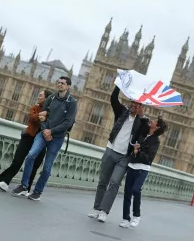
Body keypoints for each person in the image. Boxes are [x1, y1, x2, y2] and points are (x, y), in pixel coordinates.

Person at [88, 85, 148, 223]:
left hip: (124, 157)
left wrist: (142, 115)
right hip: (110, 150)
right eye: (133, 102)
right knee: (103, 182)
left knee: (114, 183)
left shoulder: (141, 122)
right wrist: (119, 84)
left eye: (137, 104)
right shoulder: (121, 111)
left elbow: (144, 132)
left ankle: (104, 211)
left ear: (141, 107)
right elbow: (113, 98)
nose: (134, 105)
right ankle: (96, 208)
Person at [12, 77, 77, 201]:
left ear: (68, 86)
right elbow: (42, 116)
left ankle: (38, 191)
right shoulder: (51, 98)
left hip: (56, 138)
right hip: (43, 133)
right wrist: (44, 130)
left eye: (63, 83)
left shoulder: (72, 102)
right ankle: (24, 186)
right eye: (58, 82)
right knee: (31, 155)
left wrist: (51, 131)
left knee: (47, 166)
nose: (60, 84)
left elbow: (68, 122)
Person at [0, 89, 52, 193]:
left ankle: (26, 188)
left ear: (46, 98)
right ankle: (4, 181)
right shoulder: (35, 107)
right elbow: (32, 118)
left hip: (42, 141)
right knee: (18, 160)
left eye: (40, 95)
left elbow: (51, 124)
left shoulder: (51, 112)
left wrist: (46, 115)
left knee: (34, 166)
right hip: (28, 137)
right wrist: (43, 115)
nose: (38, 97)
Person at [119, 116, 167, 228]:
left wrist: (138, 150)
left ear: (157, 127)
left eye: (155, 121)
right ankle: (125, 218)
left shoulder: (155, 141)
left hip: (143, 168)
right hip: (132, 165)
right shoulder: (143, 133)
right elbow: (141, 120)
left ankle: (136, 215)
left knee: (136, 189)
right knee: (127, 193)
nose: (152, 120)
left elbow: (149, 157)